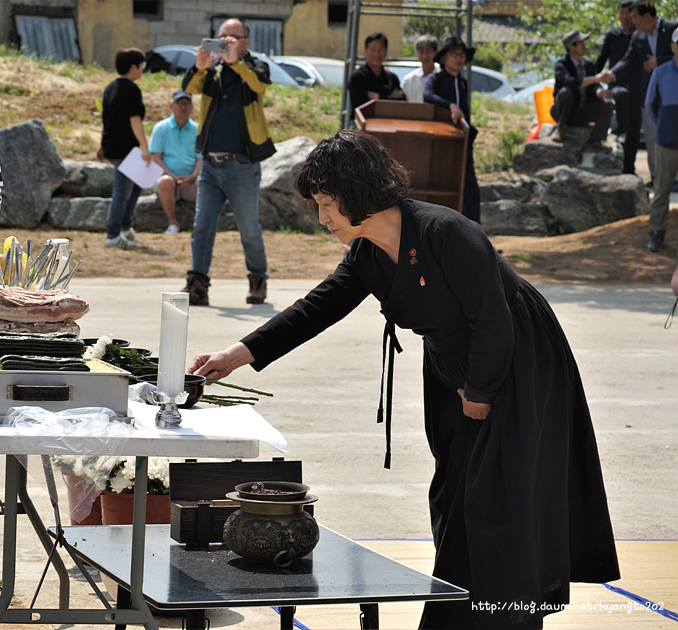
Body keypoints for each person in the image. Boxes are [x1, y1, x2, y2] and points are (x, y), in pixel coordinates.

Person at [189, 129, 620, 630]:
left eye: (327, 204)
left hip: (518, 365)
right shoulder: (368, 253)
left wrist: (480, 393)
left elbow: (494, 321)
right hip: (455, 373)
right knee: (454, 500)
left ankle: (509, 620)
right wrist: (236, 355)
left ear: (355, 193)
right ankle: (458, 619)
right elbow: (318, 307)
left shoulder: (445, 232)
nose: (322, 218)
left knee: (499, 505)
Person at [180, 18, 276, 306]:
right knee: (202, 226)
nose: (226, 42)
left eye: (233, 37)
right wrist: (199, 66)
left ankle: (258, 279)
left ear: (246, 41)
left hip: (242, 165)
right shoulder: (212, 70)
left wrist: (236, 62)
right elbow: (190, 87)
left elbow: (260, 85)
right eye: (222, 37)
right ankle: (197, 284)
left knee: (248, 227)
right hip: (210, 164)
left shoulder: (256, 66)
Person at [609, 0, 678, 183]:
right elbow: (627, 60)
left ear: (647, 16)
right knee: (651, 135)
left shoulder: (673, 29)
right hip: (650, 94)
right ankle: (657, 177)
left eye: (635, 17)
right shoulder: (637, 36)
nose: (632, 21)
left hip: (674, 93)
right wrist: (611, 74)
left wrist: (660, 61)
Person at [423, 36, 481, 223]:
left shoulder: (462, 82)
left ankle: (475, 232)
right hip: (442, 141)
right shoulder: (436, 78)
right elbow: (427, 95)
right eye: (454, 54)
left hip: (463, 141)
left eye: (462, 54)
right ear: (444, 58)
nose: (459, 58)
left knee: (470, 186)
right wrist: (450, 105)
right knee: (444, 184)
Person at [100, 47, 151, 250]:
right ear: (133, 67)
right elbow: (135, 120)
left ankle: (125, 227)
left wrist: (100, 145)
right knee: (121, 191)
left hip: (112, 145)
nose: (142, 70)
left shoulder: (110, 88)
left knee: (138, 185)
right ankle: (113, 235)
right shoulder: (131, 89)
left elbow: (106, 121)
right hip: (125, 149)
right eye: (141, 66)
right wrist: (145, 149)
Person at [549, 30, 615, 150]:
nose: (584, 46)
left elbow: (594, 86)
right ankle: (561, 128)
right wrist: (594, 79)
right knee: (565, 92)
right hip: (564, 112)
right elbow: (570, 82)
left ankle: (596, 140)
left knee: (609, 103)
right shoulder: (562, 64)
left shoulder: (589, 65)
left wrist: (599, 92)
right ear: (571, 47)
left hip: (583, 111)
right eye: (581, 43)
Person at [643, 28, 678, 252]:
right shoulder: (661, 72)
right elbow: (650, 104)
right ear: (673, 46)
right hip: (667, 140)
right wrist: (661, 127)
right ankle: (657, 232)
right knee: (662, 189)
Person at [149, 90, 202, 235]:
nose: (183, 107)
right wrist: (172, 176)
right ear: (171, 105)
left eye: (187, 103)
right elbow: (156, 157)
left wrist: (192, 176)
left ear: (192, 107)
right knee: (165, 182)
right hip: (169, 181)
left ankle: (201, 224)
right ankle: (172, 223)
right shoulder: (160, 128)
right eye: (179, 103)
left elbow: (201, 158)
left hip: (190, 181)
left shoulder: (198, 130)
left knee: (204, 181)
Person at [596, 0, 637, 145]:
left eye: (628, 13)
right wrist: (593, 79)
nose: (625, 17)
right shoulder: (612, 36)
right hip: (617, 82)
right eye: (622, 13)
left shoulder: (640, 34)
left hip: (637, 82)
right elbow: (601, 60)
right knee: (620, 94)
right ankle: (621, 129)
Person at [348, 32, 406, 112]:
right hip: (363, 122)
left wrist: (378, 97)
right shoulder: (357, 77)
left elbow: (401, 102)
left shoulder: (392, 78)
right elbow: (361, 105)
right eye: (373, 50)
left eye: (380, 50)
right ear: (365, 52)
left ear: (386, 52)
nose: (377, 54)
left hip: (387, 121)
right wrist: (389, 98)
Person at [400, 35, 438, 103]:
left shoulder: (442, 75)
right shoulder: (408, 80)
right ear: (416, 54)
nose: (425, 56)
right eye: (421, 52)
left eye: (428, 52)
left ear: (435, 53)